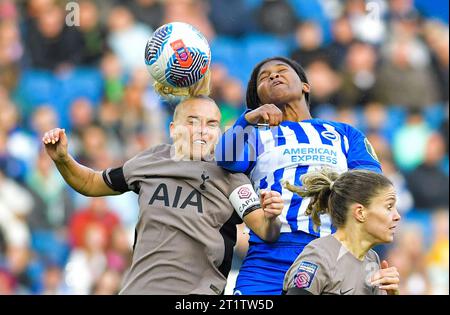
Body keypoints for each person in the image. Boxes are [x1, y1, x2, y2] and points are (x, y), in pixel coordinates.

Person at [42, 96, 283, 295]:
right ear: (173, 129)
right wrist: (63, 159)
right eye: (192, 121)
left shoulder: (231, 175)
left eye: (211, 124)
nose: (202, 130)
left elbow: (264, 229)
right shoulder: (151, 160)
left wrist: (271, 216)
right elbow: (91, 183)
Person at [216, 56, 382, 295]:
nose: (273, 75)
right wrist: (248, 118)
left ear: (305, 86)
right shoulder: (253, 135)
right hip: (269, 257)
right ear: (259, 99)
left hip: (331, 254)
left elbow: (372, 185)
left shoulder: (344, 133)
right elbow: (224, 158)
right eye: (264, 77)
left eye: (281, 70)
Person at [283, 169, 401, 295]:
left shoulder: (372, 259)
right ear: (360, 213)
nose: (397, 216)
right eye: (389, 207)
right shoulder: (319, 256)